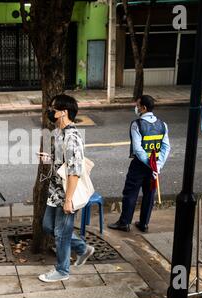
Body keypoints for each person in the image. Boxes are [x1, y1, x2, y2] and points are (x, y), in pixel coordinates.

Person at [37, 94, 95, 283]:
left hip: (65, 193)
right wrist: (48, 159)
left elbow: (74, 171)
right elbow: (62, 162)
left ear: (64, 112)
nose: (50, 110)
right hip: (55, 192)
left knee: (61, 233)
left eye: (54, 108)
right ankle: (82, 248)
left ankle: (62, 270)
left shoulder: (72, 137)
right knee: (48, 226)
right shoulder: (58, 133)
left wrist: (69, 199)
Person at [108, 95, 170, 233]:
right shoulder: (162, 124)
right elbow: (166, 147)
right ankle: (143, 224)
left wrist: (151, 164)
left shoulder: (137, 124)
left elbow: (137, 149)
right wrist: (157, 165)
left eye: (137, 105)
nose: (136, 107)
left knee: (130, 193)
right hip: (154, 166)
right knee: (149, 194)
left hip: (139, 165)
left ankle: (124, 223)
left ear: (144, 108)